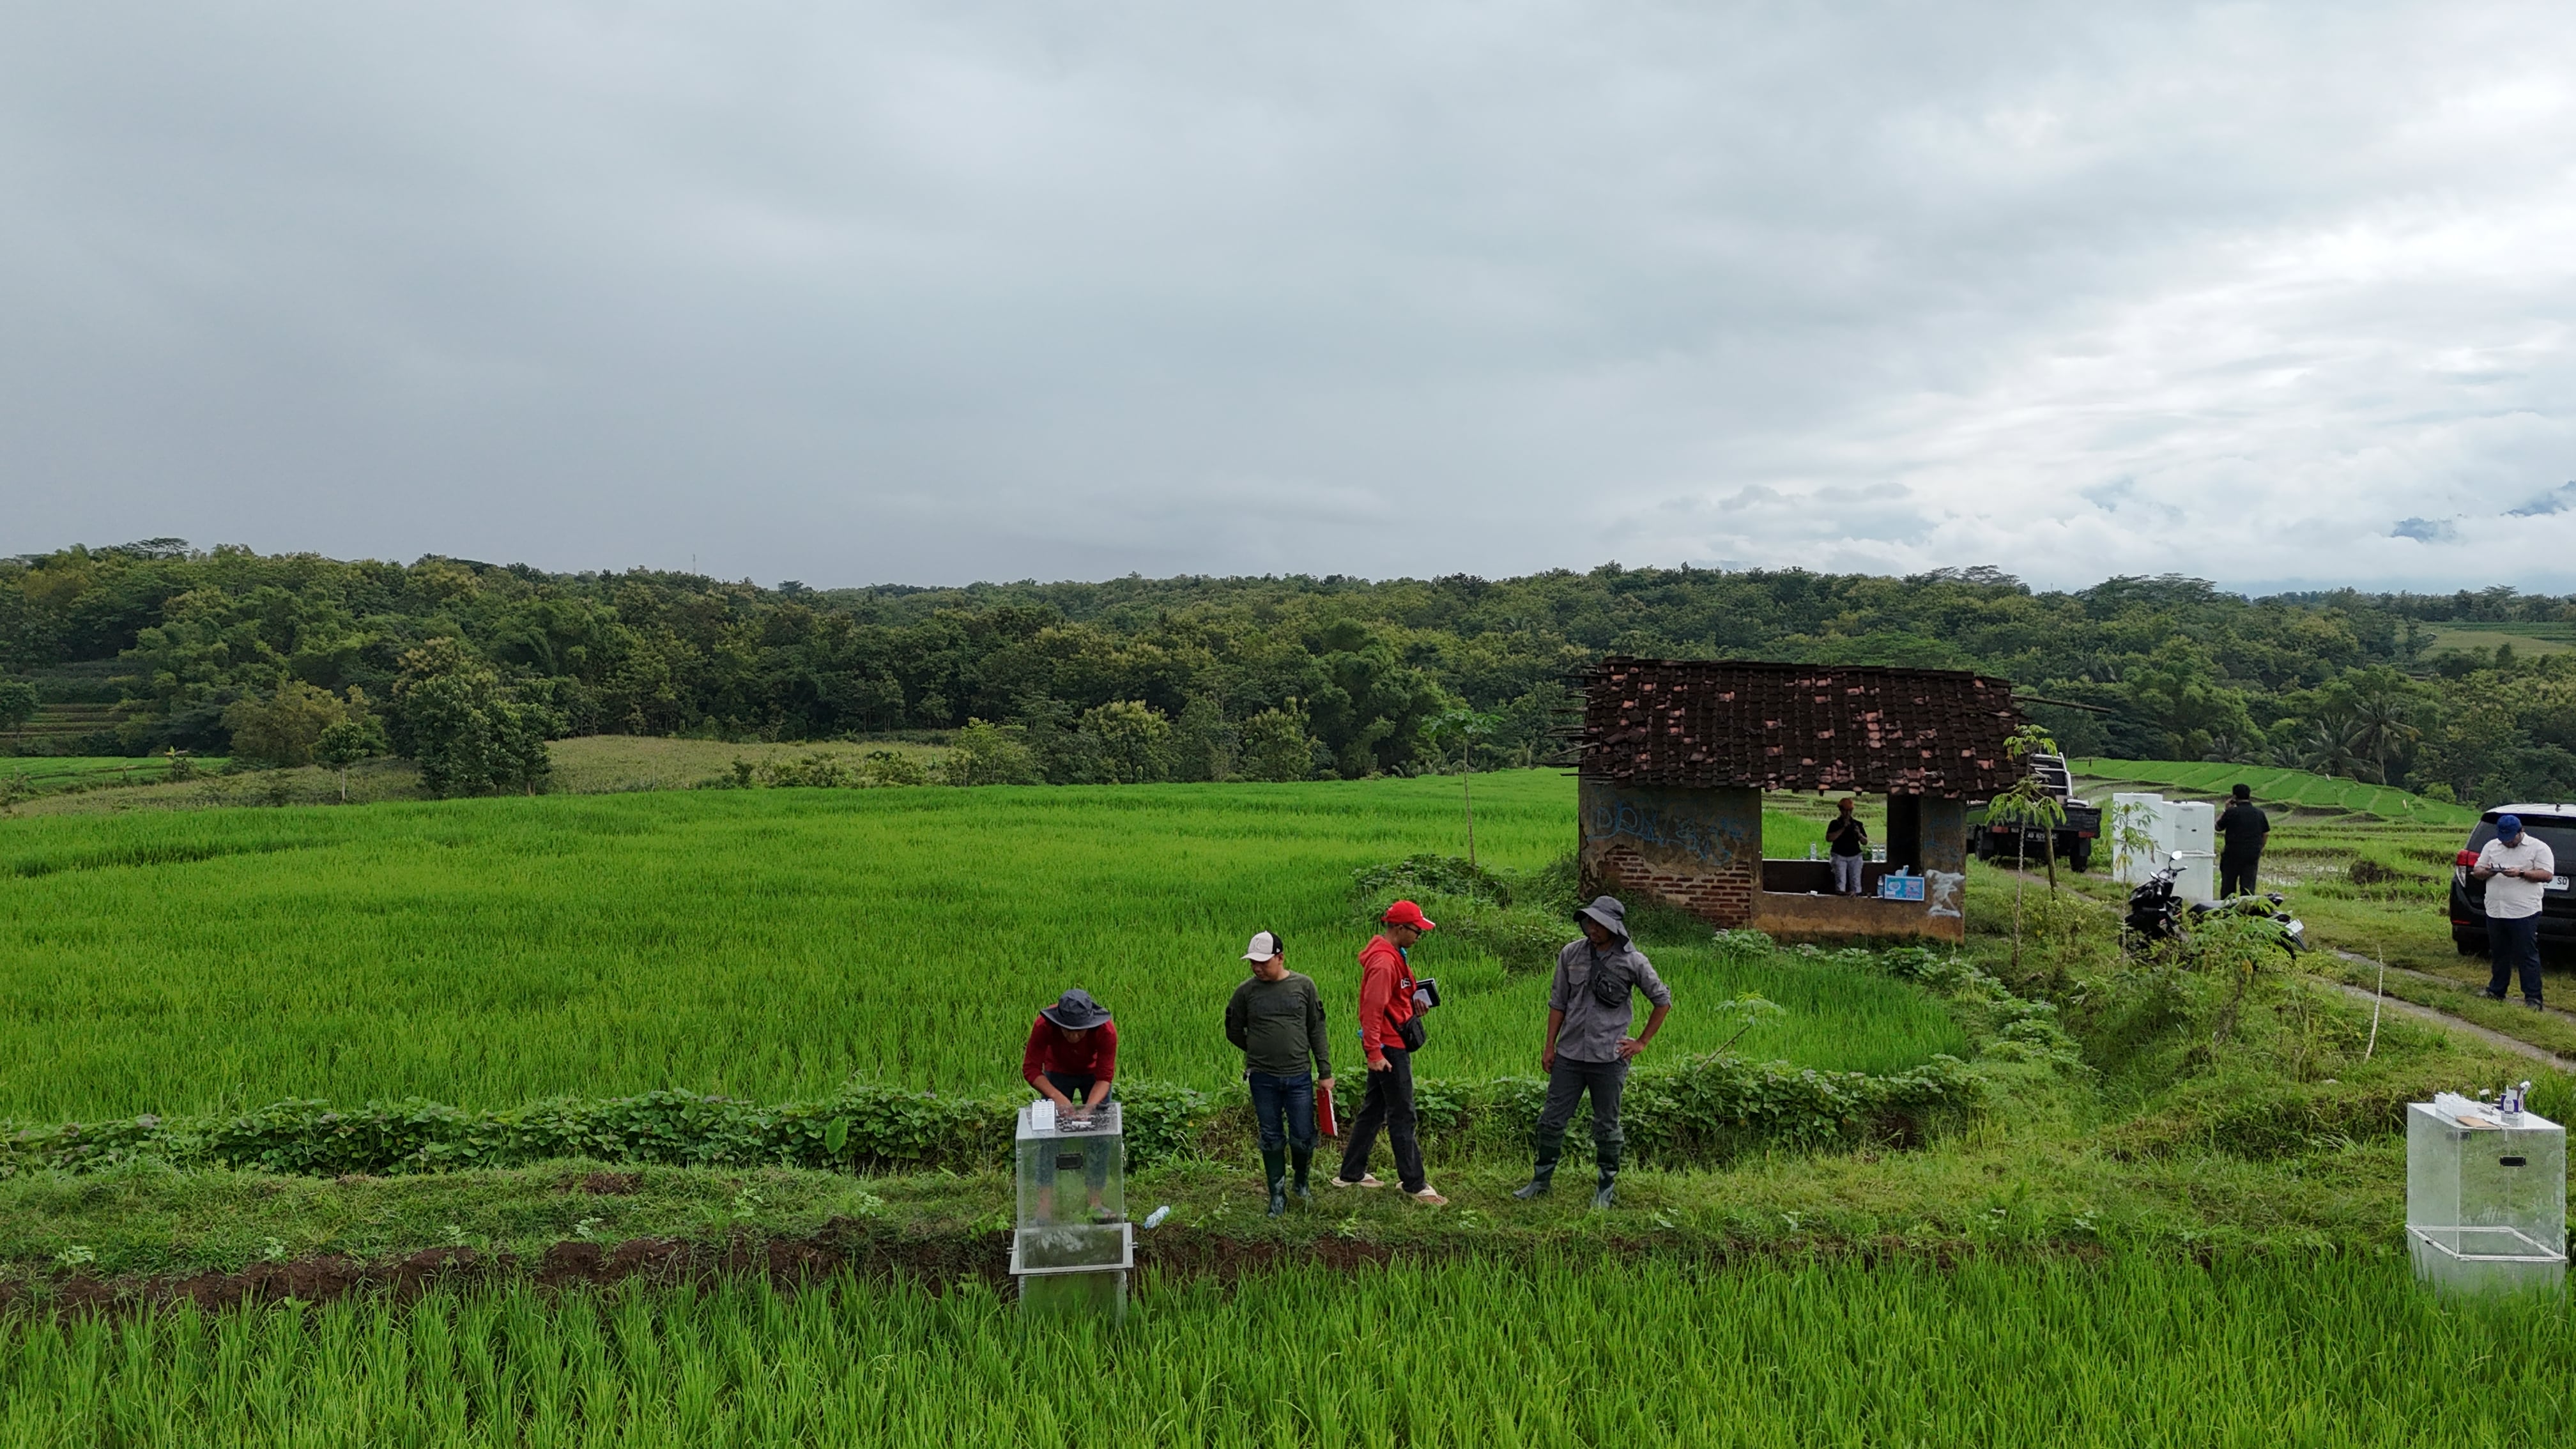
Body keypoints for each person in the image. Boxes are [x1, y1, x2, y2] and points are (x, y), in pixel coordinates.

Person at [1512, 895, 1671, 1209]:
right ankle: (1541, 1180)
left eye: (1599, 924)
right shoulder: (1571, 953)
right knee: (1551, 1120)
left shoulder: (1633, 961)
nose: (1592, 929)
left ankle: (1605, 1187)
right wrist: (1549, 1047)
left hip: (1609, 1057)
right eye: (1589, 922)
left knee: (1606, 1125)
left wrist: (1641, 1043)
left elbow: (1662, 1000)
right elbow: (1558, 1002)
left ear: (1614, 927)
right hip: (1570, 1055)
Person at [1330, 900, 1445, 1205]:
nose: (1420, 935)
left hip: (1388, 1043)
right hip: (1389, 1048)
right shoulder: (1383, 962)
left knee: (1374, 1109)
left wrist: (1412, 1006)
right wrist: (1374, 1052)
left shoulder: (1396, 955)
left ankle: (1351, 1173)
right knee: (1402, 1113)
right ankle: (1414, 1183)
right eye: (1417, 929)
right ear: (1399, 928)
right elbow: (1372, 1010)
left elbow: (1393, 1001)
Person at [1224, 930, 1334, 1216]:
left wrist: (1325, 1071)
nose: (1257, 968)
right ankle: (1276, 1194)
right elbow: (1233, 1029)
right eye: (1253, 963)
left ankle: (1301, 1183)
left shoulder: (1304, 987)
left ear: (1281, 958)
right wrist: (1257, 1048)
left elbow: (1316, 1029)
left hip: (1298, 1075)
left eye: (1263, 962)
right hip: (1263, 1077)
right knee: (1271, 1136)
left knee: (1302, 1135)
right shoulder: (1246, 992)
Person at [1022, 987, 1117, 1218]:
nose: (1074, 1036)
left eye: (1080, 1031)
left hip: (1093, 1077)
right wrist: (1058, 1097)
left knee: (1099, 1137)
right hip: (1057, 1073)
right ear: (1058, 1022)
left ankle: (1095, 1202)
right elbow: (1031, 1069)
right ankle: (1044, 1207)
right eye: (1068, 1030)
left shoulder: (1106, 1031)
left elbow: (1105, 1078)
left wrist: (1089, 1109)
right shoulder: (1043, 1026)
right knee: (1047, 1139)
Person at [2474, 815, 2556, 1009]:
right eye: (2504, 838)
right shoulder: (2492, 846)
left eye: (2511, 837)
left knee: (2526, 955)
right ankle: (2496, 991)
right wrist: (2488, 871)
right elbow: (2477, 871)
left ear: (2521, 831)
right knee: (2499, 953)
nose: (2508, 842)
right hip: (2495, 910)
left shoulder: (2538, 848)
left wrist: (2522, 873)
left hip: (2524, 912)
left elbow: (2547, 875)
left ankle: (2533, 998)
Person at [2216, 783, 2271, 897]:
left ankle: (2227, 911)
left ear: (2234, 797)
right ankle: (2246, 911)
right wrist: (2260, 848)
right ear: (2249, 796)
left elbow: (2218, 827)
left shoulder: (2231, 813)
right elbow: (2266, 833)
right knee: (2248, 888)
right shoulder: (2259, 813)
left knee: (2228, 887)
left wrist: (2225, 810)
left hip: (2232, 854)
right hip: (2252, 854)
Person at [1824, 799, 1867, 895]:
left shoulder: (1857, 824)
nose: (1848, 813)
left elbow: (1865, 842)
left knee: (1856, 882)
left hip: (1855, 856)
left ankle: (1857, 900)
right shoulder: (1834, 823)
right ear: (1841, 810)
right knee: (1841, 881)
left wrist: (1859, 834)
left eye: (1850, 811)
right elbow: (1829, 838)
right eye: (1845, 810)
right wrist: (1843, 828)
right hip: (1839, 855)